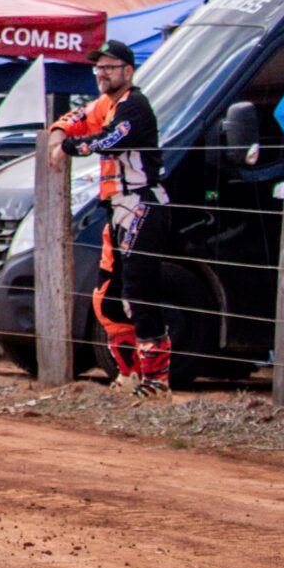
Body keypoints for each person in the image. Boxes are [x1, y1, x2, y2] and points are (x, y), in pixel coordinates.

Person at [53, 38, 171, 395]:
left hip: (142, 206)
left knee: (138, 294)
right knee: (106, 297)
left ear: (128, 71)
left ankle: (157, 382)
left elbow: (109, 140)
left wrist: (68, 147)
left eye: (110, 66)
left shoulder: (135, 106)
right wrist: (58, 132)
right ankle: (129, 375)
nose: (102, 73)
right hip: (115, 209)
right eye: (98, 67)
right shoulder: (106, 103)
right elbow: (77, 118)